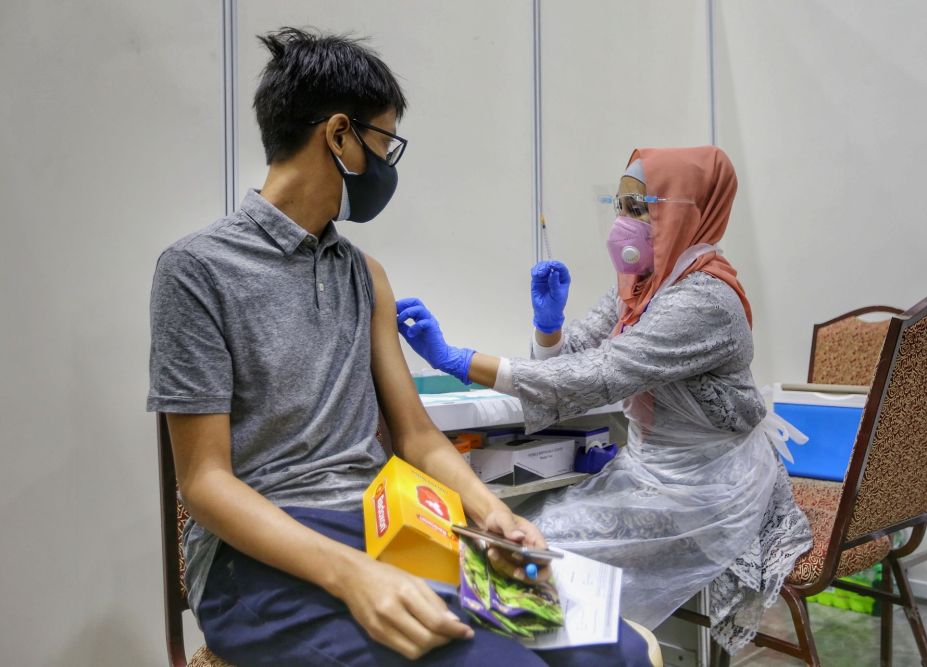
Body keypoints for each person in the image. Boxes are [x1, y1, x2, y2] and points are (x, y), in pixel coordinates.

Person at [147, 28, 651, 667]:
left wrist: (492, 512)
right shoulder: (197, 269)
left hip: (384, 527)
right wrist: (351, 574)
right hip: (260, 557)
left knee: (617, 651)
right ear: (338, 135)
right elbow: (204, 483)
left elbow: (414, 436)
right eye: (383, 142)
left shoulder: (365, 274)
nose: (387, 163)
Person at [397, 145, 814, 655]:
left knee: (532, 553)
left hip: (706, 489)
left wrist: (460, 360)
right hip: (653, 473)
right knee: (530, 538)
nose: (623, 222)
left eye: (640, 209)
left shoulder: (704, 299)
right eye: (618, 206)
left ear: (683, 210)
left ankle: (563, 653)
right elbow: (571, 359)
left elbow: (600, 374)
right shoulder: (641, 286)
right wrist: (549, 328)